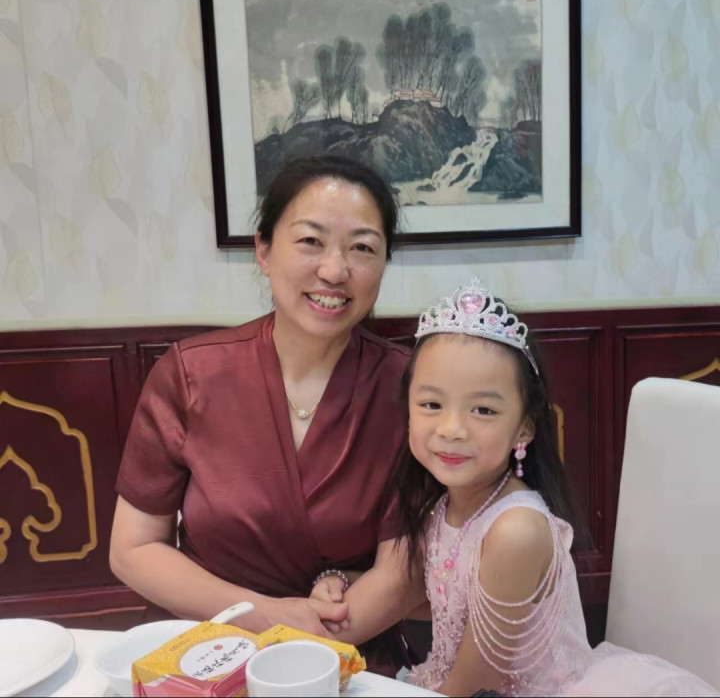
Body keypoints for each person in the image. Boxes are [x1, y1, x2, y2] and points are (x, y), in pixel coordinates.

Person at [318, 277, 718, 696]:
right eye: (432, 404)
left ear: (524, 428)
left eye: (483, 410)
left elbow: (475, 685)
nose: (452, 429)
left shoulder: (515, 531)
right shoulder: (444, 505)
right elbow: (443, 599)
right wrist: (341, 579)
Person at [109, 155, 415, 675]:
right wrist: (268, 618)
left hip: (346, 652)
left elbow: (403, 572)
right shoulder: (191, 373)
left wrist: (303, 651)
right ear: (264, 250)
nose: (335, 270)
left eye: (362, 247)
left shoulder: (411, 388)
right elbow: (134, 547)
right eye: (311, 241)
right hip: (208, 647)